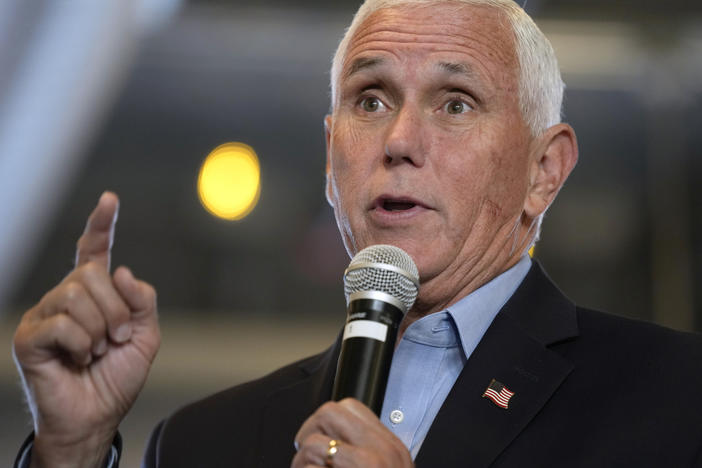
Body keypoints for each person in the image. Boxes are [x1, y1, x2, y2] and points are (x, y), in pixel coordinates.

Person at [12, 0, 702, 467]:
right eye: (370, 100)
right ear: (329, 158)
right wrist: (70, 450)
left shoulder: (674, 397)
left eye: (455, 103)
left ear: (544, 171)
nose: (400, 140)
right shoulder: (206, 443)